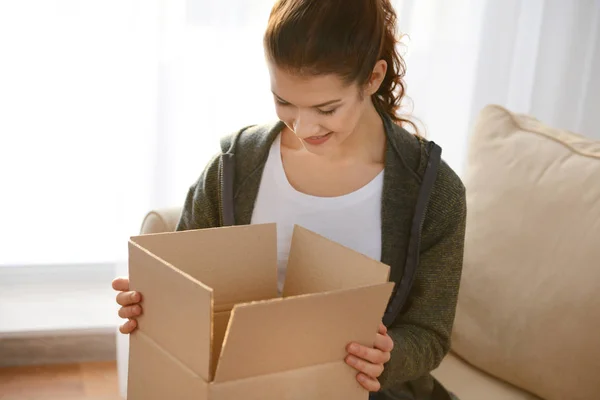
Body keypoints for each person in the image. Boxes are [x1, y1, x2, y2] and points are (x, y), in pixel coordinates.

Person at [112, 0, 466, 399]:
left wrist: (387, 356)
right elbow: (186, 282)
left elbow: (430, 332)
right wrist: (153, 303)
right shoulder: (234, 168)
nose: (302, 126)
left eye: (326, 108)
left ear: (372, 78)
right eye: (284, 102)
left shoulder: (433, 191)